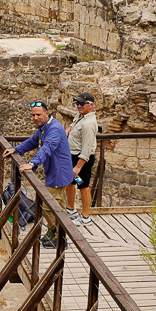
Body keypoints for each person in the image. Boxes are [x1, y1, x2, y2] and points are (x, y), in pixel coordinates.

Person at [2, 100, 73, 246]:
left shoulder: (54, 129)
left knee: (46, 206)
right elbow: (33, 141)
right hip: (55, 172)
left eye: (38, 115)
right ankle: (58, 235)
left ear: (47, 113)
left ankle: (58, 234)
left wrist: (32, 163)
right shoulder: (44, 127)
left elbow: (46, 148)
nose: (35, 118)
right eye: (33, 115)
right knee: (58, 206)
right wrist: (16, 149)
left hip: (59, 173)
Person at [65, 92, 98, 227]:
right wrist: (69, 129)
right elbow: (74, 123)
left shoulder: (89, 124)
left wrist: (77, 167)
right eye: (77, 103)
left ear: (91, 105)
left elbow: (87, 149)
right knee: (70, 182)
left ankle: (85, 217)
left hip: (81, 160)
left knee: (83, 186)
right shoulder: (81, 116)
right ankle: (70, 209)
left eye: (81, 103)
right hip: (72, 157)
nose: (78, 106)